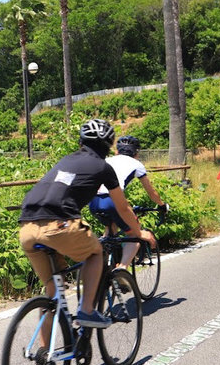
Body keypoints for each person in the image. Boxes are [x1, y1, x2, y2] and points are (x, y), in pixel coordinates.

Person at [19, 119, 156, 330]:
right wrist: (139, 234)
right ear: (109, 144)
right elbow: (122, 207)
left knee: (53, 293)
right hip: (59, 224)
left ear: (81, 141)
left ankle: (44, 355)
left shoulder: (66, 160)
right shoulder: (103, 166)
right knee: (95, 253)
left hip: (27, 227)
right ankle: (87, 310)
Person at [88, 135, 167, 270]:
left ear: (117, 151)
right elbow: (151, 192)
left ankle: (102, 266)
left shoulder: (106, 159)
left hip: (93, 202)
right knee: (135, 234)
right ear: (136, 153)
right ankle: (122, 269)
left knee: (110, 230)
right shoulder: (137, 164)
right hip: (112, 201)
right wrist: (161, 205)